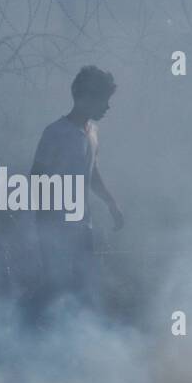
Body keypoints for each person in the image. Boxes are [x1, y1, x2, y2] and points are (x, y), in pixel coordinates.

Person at [29, 65, 123, 309]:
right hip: (56, 225)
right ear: (87, 97)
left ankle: (74, 339)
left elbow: (91, 173)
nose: (107, 107)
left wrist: (111, 203)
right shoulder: (55, 133)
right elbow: (36, 178)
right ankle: (21, 325)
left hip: (83, 225)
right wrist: (48, 224)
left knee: (83, 285)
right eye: (103, 100)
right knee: (56, 285)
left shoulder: (93, 132)